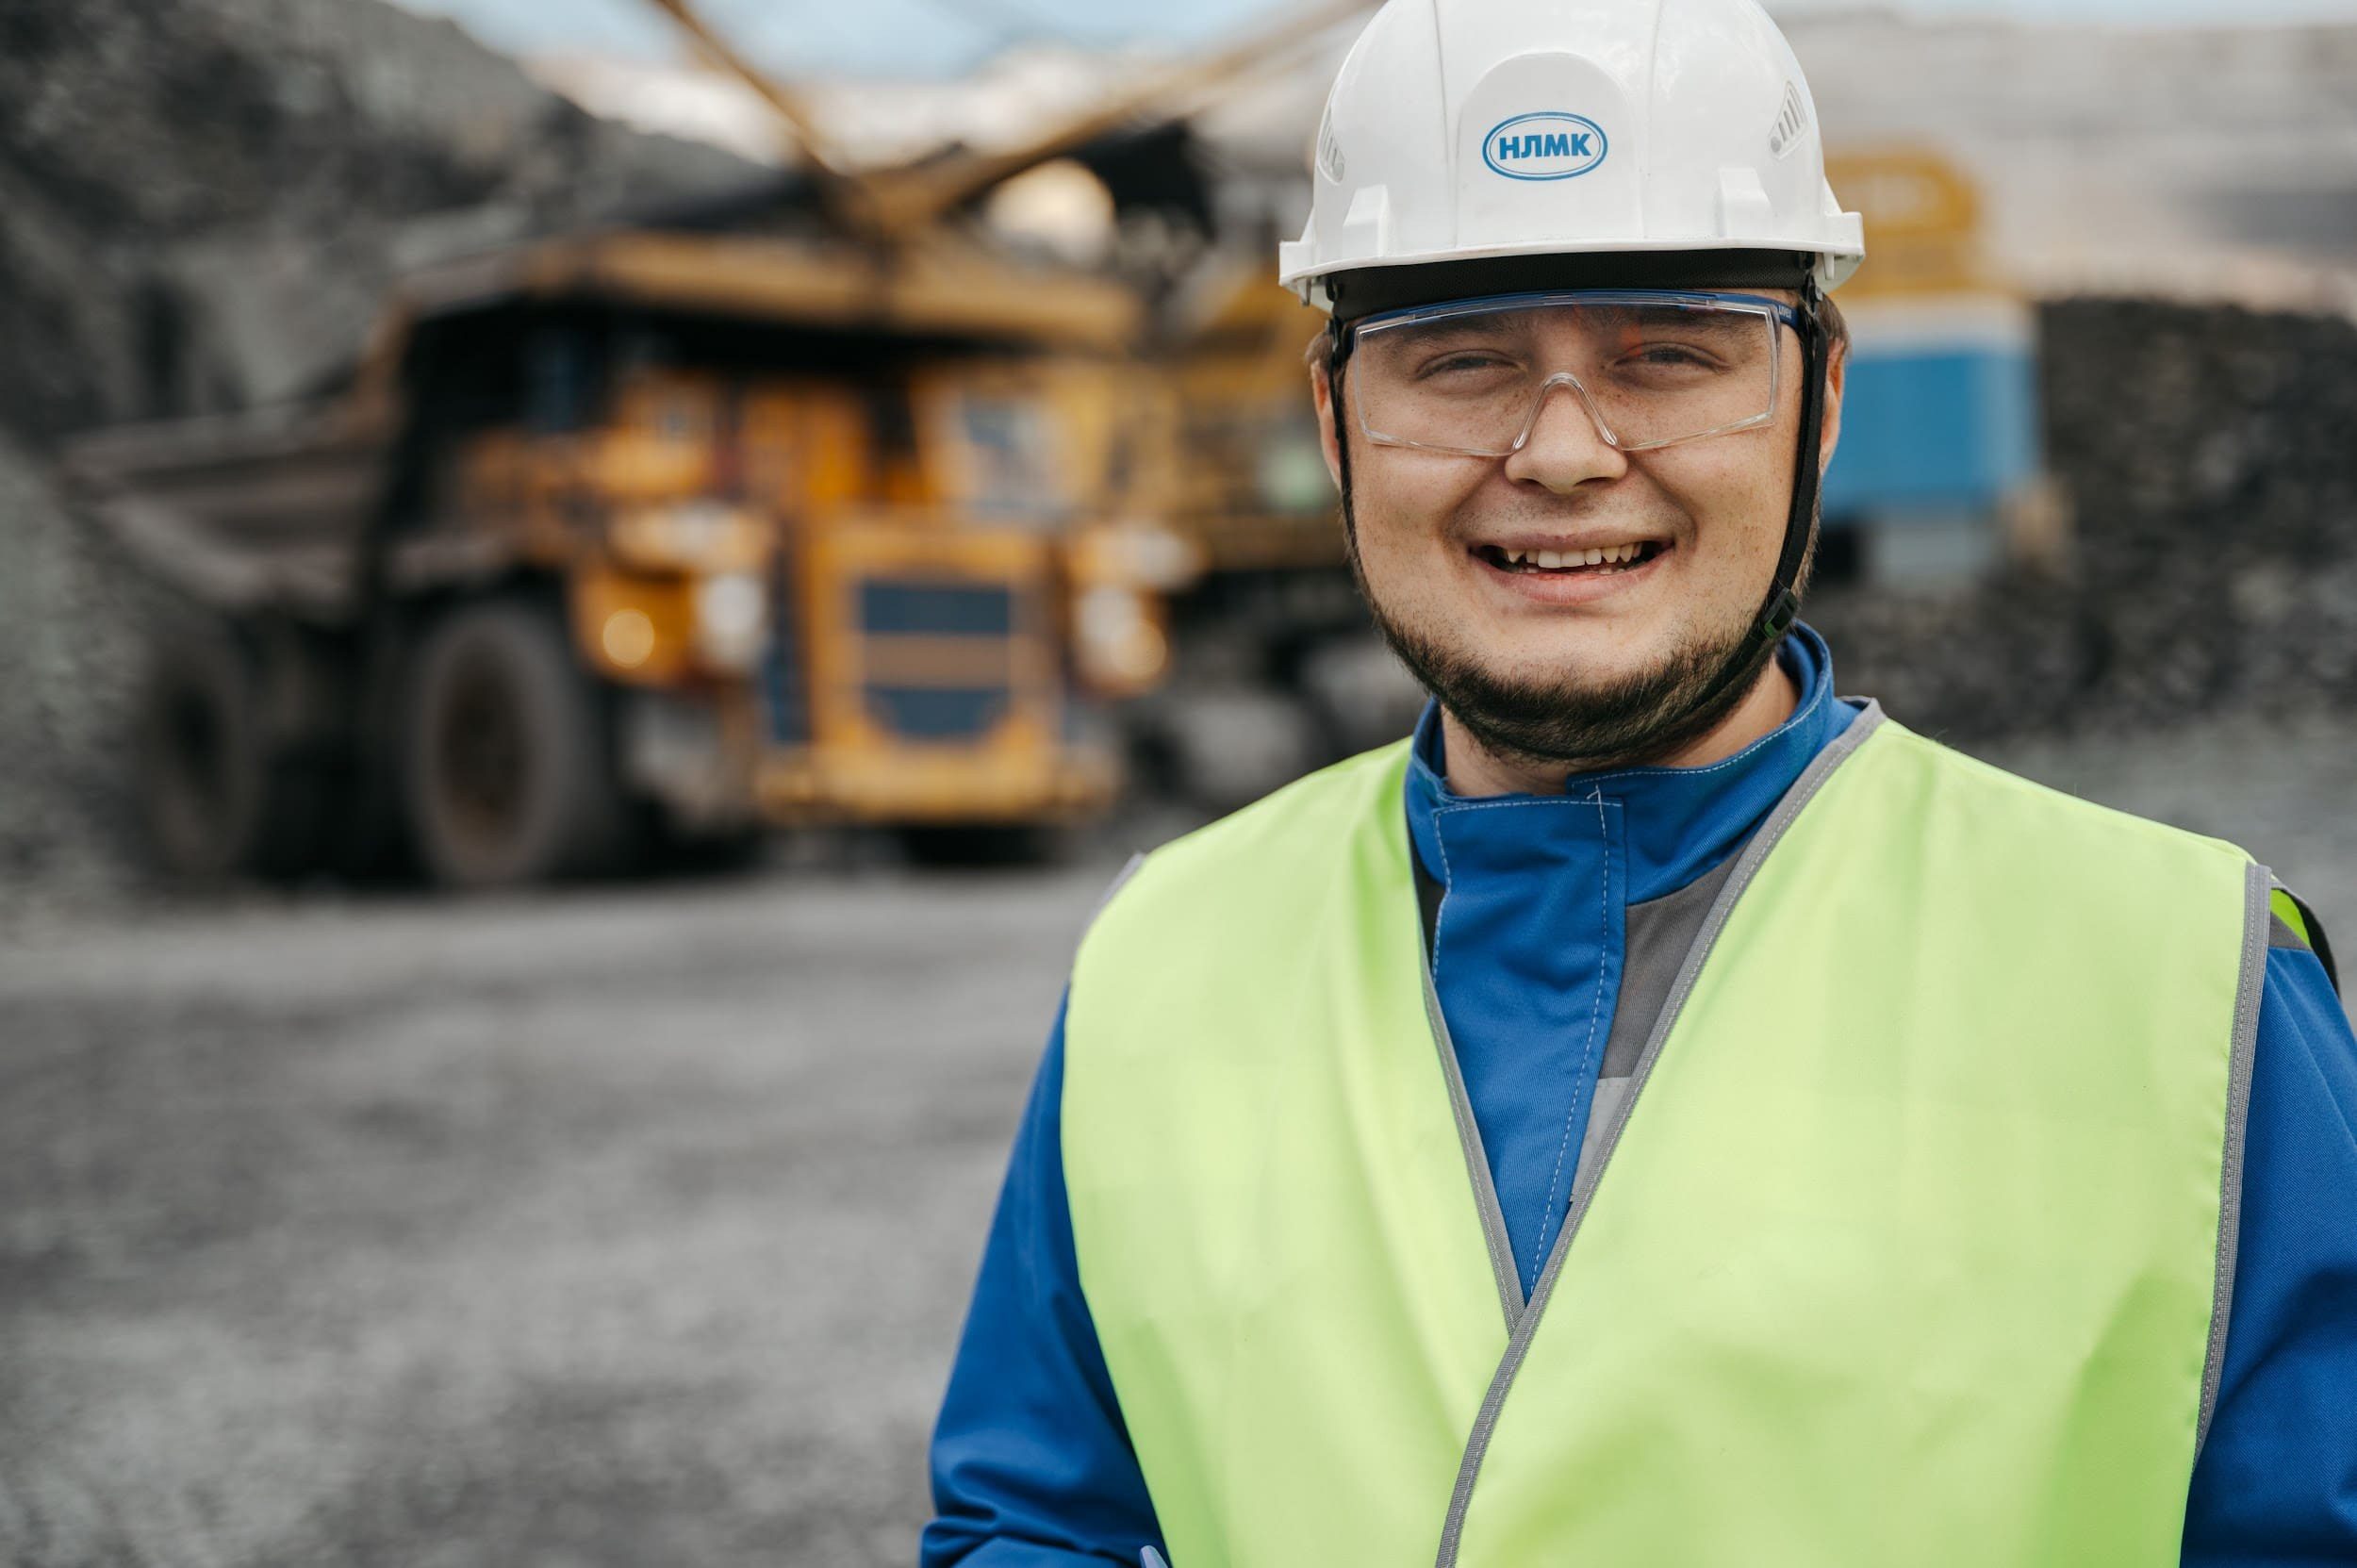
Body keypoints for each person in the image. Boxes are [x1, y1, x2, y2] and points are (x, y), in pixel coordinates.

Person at [921, 0, 2357, 1561]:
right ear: (1334, 424)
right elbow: (1038, 1524)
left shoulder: (2184, 988)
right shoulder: (1165, 964)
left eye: (1669, 355)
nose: (1562, 451)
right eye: (1460, 361)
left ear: (1822, 400)